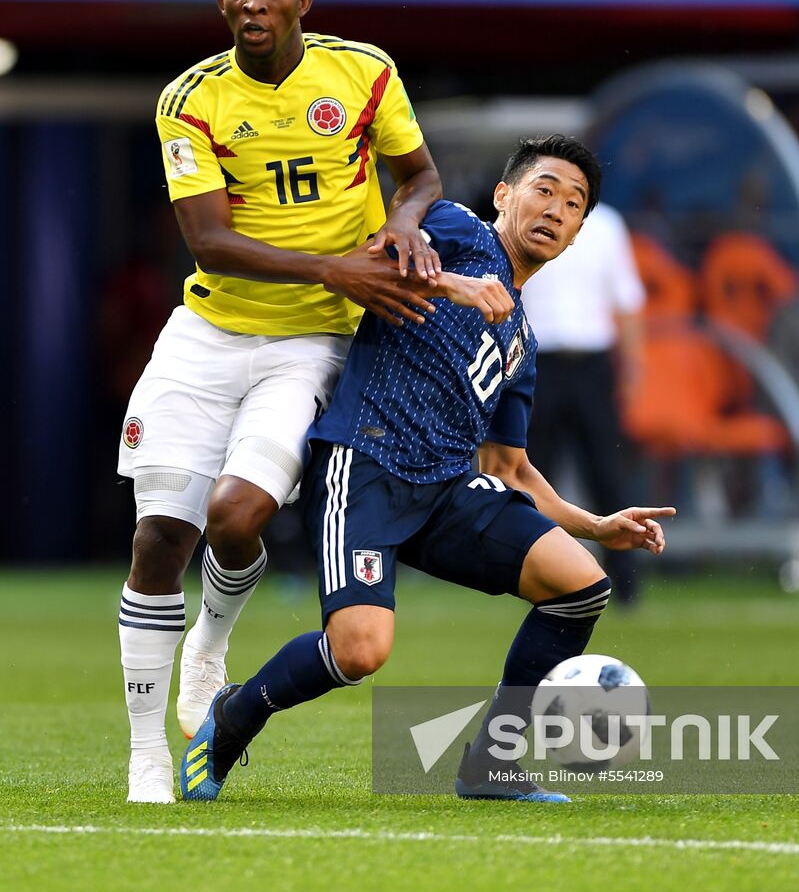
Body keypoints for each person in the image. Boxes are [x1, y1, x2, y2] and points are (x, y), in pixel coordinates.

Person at [182, 135, 674, 803]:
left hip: (446, 489)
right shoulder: (454, 230)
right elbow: (362, 266)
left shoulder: (522, 343)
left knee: (581, 584)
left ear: (580, 233)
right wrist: (455, 285)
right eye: (544, 189)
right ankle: (233, 716)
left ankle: (492, 762)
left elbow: (510, 469)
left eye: (573, 203)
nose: (556, 208)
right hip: (367, 463)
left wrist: (597, 525)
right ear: (504, 196)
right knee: (359, 651)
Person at [119, 0, 451, 803]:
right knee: (159, 538)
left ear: (303, 2)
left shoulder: (364, 72)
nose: (254, 4)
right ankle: (146, 757)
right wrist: (336, 266)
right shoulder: (189, 100)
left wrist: (405, 223)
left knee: (238, 517)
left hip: (313, 341)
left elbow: (420, 176)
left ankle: (213, 641)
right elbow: (210, 240)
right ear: (222, 0)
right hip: (210, 332)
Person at [519, 202, 646, 602]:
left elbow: (626, 299)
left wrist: (632, 368)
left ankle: (624, 580)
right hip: (538, 359)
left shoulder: (607, 224)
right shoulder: (526, 218)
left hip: (592, 361)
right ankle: (531, 574)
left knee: (606, 472)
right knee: (533, 473)